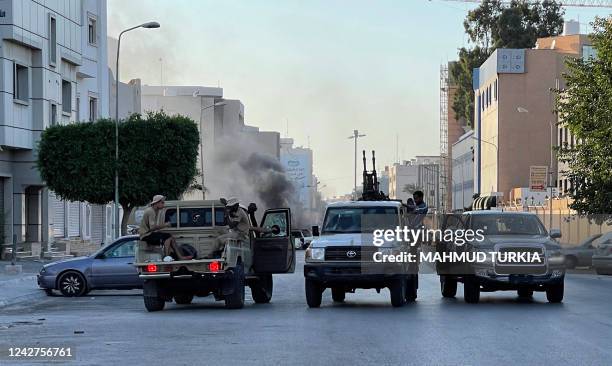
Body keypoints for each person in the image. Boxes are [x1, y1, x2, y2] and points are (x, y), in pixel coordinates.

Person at [139, 195, 192, 262]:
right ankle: (166, 257)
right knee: (168, 236)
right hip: (146, 235)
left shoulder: (156, 211)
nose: (163, 204)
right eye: (162, 202)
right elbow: (152, 227)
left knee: (171, 238)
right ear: (157, 203)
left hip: (150, 233)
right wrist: (165, 225)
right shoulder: (151, 211)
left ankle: (180, 257)